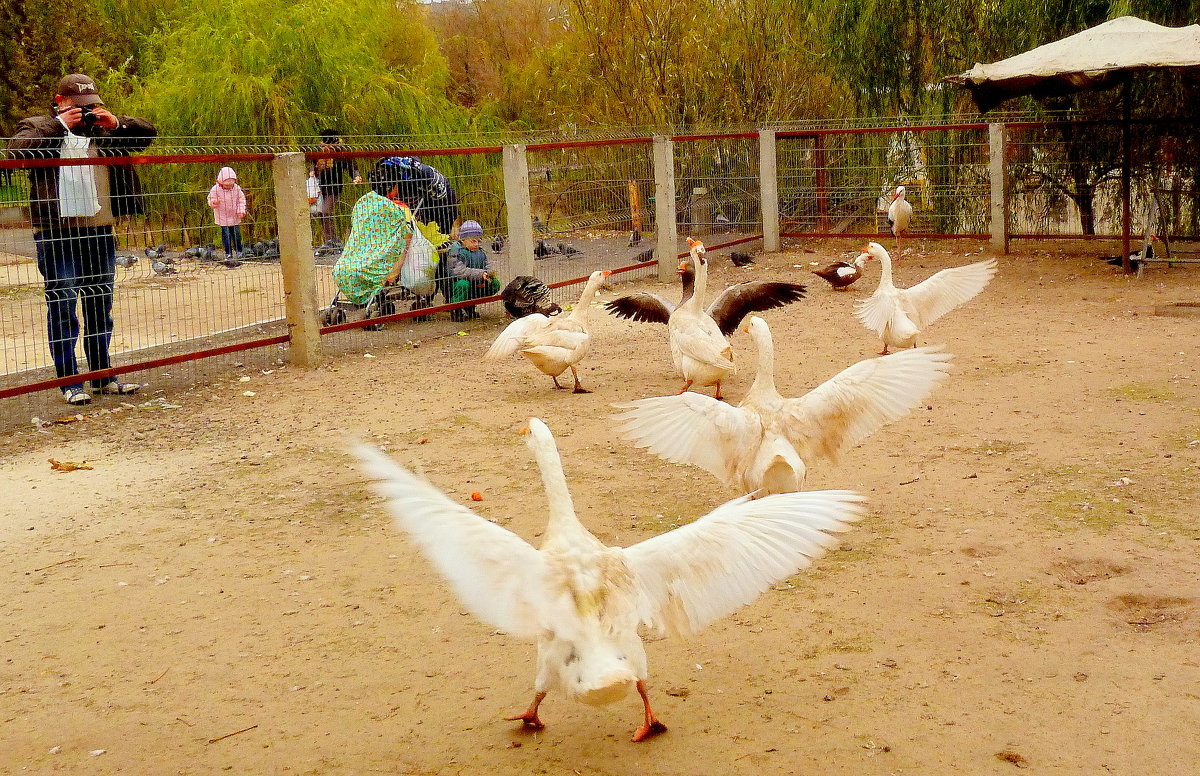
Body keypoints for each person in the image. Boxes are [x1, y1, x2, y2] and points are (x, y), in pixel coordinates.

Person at [8, 74, 156, 405]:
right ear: (59, 101)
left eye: (91, 106)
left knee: (99, 306)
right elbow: (16, 153)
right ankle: (71, 382)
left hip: (99, 229)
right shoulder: (37, 126)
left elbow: (147, 135)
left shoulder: (104, 131)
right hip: (56, 233)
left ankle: (102, 376)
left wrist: (115, 121)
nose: (85, 113)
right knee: (63, 307)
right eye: (78, 107)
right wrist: (59, 125)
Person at [331, 158, 416, 307]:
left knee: (350, 268)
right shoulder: (397, 209)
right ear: (392, 187)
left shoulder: (363, 202)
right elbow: (407, 233)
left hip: (349, 262)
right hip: (378, 260)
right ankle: (372, 298)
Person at [310, 130, 362, 249]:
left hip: (334, 186)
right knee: (320, 213)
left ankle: (334, 241)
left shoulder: (341, 152)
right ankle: (331, 240)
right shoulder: (319, 151)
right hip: (319, 186)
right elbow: (312, 164)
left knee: (326, 211)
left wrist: (356, 176)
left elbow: (351, 166)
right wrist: (313, 170)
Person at [447, 220, 500, 322]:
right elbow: (459, 271)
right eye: (473, 241)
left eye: (478, 241)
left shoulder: (480, 251)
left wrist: (487, 276)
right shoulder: (456, 251)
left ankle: (470, 307)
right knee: (463, 284)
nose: (476, 244)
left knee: (495, 283)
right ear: (463, 240)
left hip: (476, 282)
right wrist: (480, 274)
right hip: (455, 283)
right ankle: (455, 309)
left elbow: (488, 265)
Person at [207, 166, 247, 261]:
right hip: (222, 216)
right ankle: (228, 253)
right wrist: (214, 202)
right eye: (227, 186)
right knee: (226, 234)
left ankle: (239, 251)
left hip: (234, 215)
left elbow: (241, 200)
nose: (229, 187)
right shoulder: (215, 189)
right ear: (221, 182)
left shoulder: (237, 188)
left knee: (236, 234)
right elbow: (210, 199)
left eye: (231, 185)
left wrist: (241, 210)